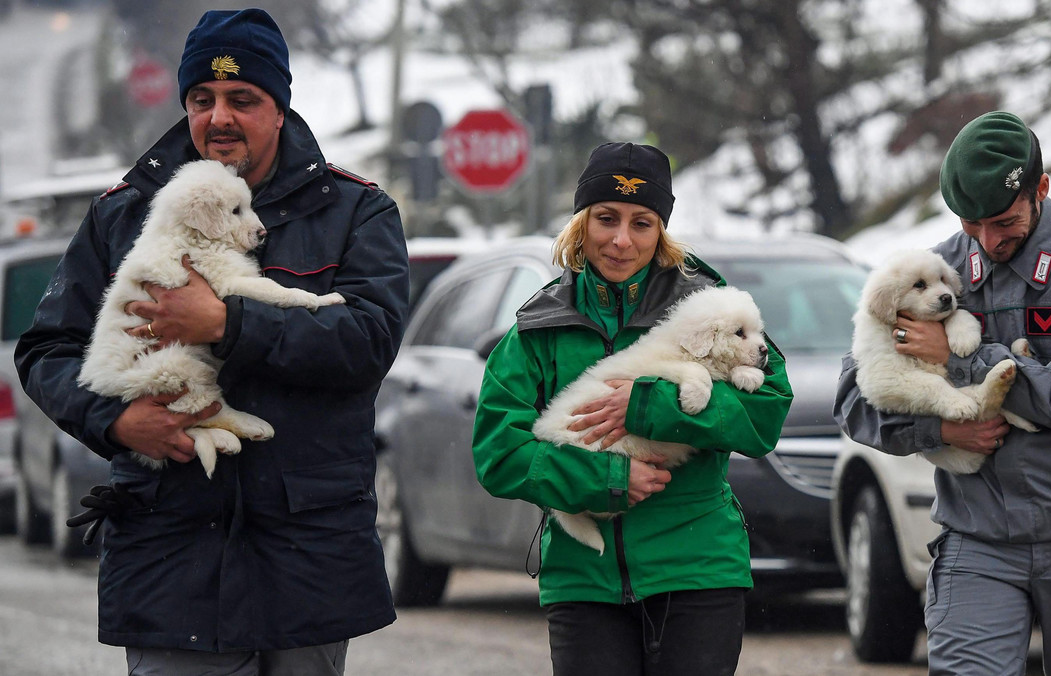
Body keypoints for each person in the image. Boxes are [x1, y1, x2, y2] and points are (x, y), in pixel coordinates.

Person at [15, 9, 408, 675]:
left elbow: (368, 340)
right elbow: (46, 350)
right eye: (203, 99)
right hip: (171, 555)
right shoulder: (124, 210)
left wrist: (228, 325)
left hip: (305, 558)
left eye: (242, 99)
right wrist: (116, 421)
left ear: (279, 107)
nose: (219, 117)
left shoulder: (356, 211)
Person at [835, 111, 1051, 675]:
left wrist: (964, 357)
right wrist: (942, 430)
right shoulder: (933, 271)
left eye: (1003, 222)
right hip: (976, 539)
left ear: (1041, 189)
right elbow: (854, 400)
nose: (986, 240)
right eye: (970, 223)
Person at [471, 142, 793, 676]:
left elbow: (766, 415)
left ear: (661, 232)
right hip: (583, 578)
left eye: (642, 223)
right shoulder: (536, 329)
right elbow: (498, 452)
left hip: (697, 569)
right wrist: (606, 478)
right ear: (581, 223)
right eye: (606, 218)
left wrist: (652, 406)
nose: (621, 240)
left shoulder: (710, 307)